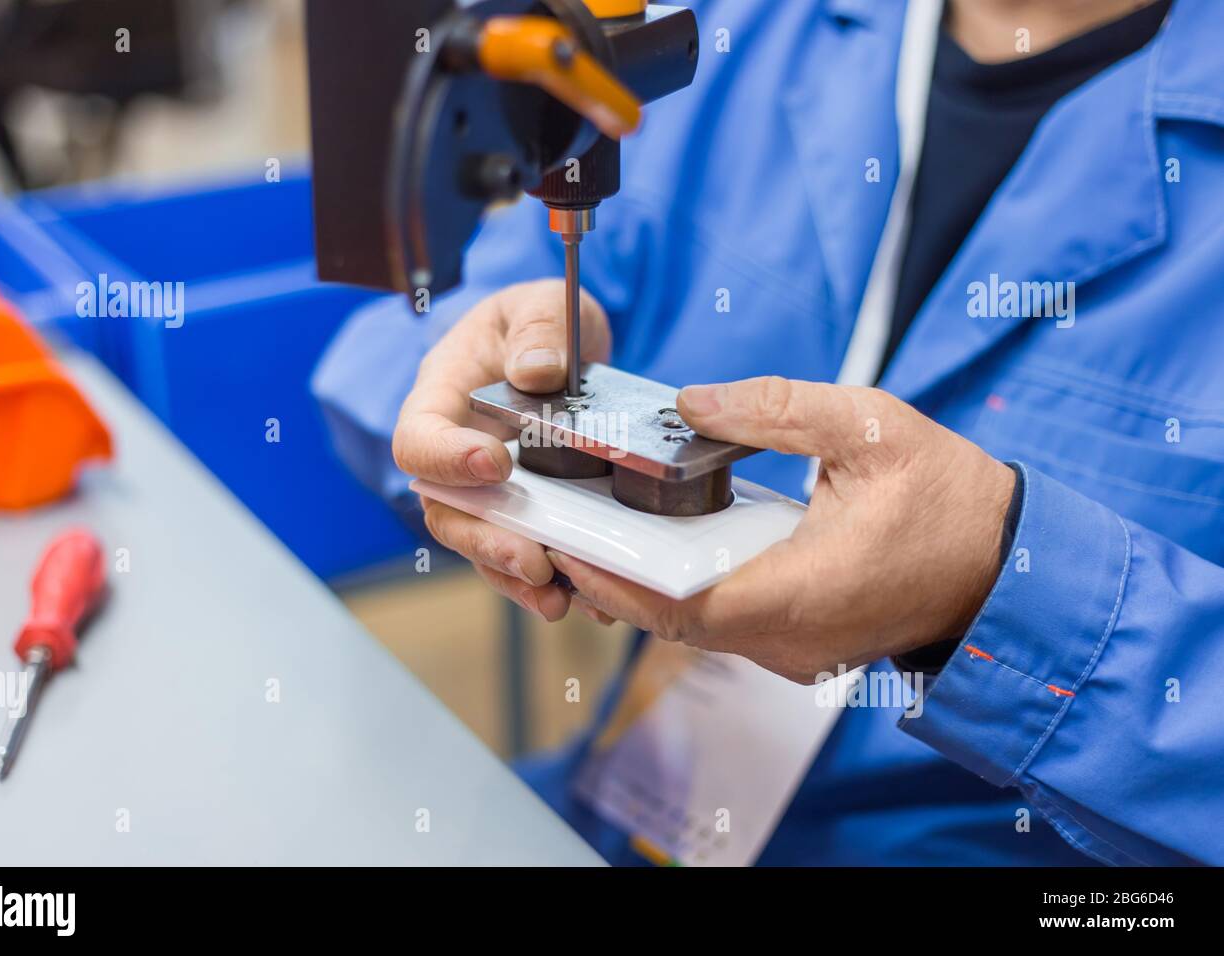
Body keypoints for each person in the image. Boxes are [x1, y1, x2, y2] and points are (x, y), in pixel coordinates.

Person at [313, 0, 1222, 865]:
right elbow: (410, 351)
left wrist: (997, 594)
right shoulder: (733, 30)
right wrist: (477, 397)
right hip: (641, 796)